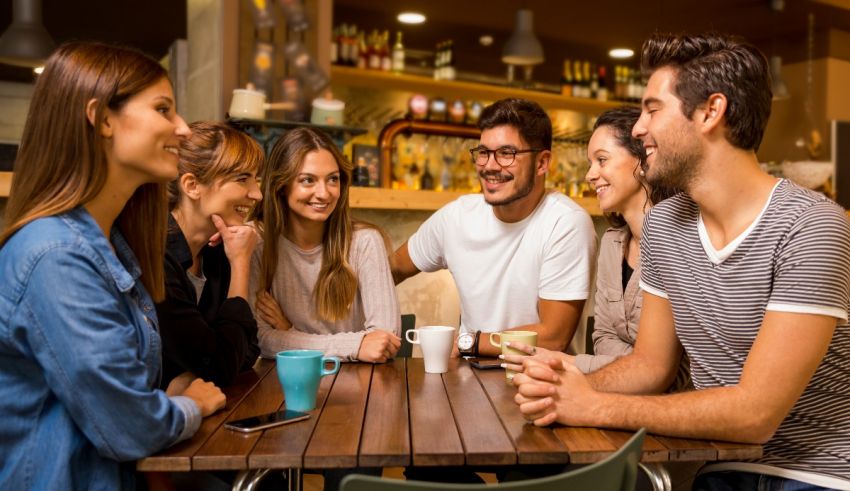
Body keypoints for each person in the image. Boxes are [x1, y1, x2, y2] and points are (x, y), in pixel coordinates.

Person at [512, 32, 850, 489]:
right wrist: (562, 383)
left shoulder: (811, 226)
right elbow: (651, 365)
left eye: (652, 109)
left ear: (711, 112)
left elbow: (755, 415)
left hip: (820, 474)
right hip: (724, 467)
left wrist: (593, 406)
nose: (637, 128)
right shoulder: (667, 224)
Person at [0, 42, 226, 489]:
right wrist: (192, 406)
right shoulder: (56, 257)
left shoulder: (111, 242)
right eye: (164, 109)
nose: (182, 128)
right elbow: (130, 427)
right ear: (102, 118)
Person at [392, 98, 597, 358]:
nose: (489, 165)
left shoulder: (565, 222)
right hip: (466, 379)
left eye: (506, 153)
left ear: (542, 163)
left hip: (539, 383)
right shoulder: (457, 216)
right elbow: (393, 267)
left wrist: (468, 342)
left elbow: (553, 337)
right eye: (484, 153)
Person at [505, 106, 688, 392]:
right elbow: (602, 337)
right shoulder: (612, 244)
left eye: (601, 160)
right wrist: (633, 364)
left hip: (674, 413)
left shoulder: (680, 243)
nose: (590, 175)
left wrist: (568, 363)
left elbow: (673, 372)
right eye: (591, 163)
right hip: (618, 398)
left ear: (642, 160)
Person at [249, 126, 401, 364]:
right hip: (287, 385)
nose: (324, 193)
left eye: (332, 179)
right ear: (281, 184)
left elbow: (384, 341)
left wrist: (288, 332)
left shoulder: (365, 242)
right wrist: (355, 345)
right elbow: (259, 339)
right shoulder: (257, 243)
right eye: (307, 180)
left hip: (362, 387)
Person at [156, 121, 263, 390]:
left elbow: (247, 351)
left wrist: (190, 377)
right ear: (192, 185)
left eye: (256, 180)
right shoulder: (156, 258)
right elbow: (221, 364)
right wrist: (240, 263)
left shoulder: (216, 252)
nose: (257, 194)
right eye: (242, 179)